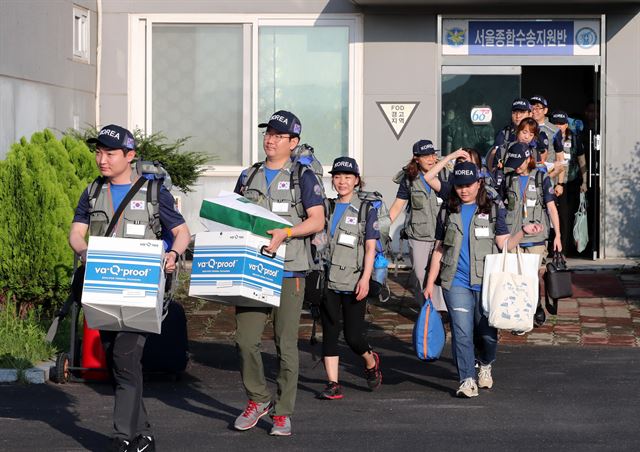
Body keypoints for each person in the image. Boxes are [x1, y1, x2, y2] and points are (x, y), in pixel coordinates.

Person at [69, 124, 191, 452]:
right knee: (118, 361)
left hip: (142, 292)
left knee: (125, 355)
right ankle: (144, 434)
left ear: (130, 156)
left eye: (109, 153)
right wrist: (83, 252)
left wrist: (173, 253)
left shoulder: (153, 193)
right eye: (98, 152)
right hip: (104, 288)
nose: (102, 159)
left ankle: (121, 437)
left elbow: (182, 232)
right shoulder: (92, 191)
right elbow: (76, 233)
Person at [232, 110, 325, 436]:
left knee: (286, 345)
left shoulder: (304, 176)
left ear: (293, 142)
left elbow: (317, 220)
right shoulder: (248, 176)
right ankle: (258, 399)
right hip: (252, 269)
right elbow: (234, 217)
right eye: (267, 133)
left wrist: (285, 234)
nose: (270, 139)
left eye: (278, 135)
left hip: (289, 270)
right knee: (245, 341)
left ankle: (283, 412)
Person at [424, 161, 543, 398]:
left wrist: (522, 232)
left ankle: (485, 364)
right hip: (455, 281)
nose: (464, 190)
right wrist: (430, 283)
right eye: (459, 185)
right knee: (462, 331)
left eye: (469, 185)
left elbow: (504, 244)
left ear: (479, 184)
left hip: (487, 282)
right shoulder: (447, 210)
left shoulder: (493, 209)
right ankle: (467, 379)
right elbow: (440, 249)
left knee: (487, 334)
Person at [316, 157, 383, 400]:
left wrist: (366, 279)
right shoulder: (327, 207)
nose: (342, 181)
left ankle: (370, 360)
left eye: (347, 177)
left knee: (353, 337)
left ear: (356, 181)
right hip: (328, 279)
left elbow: (369, 249)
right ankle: (333, 384)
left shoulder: (367, 209)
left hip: (354, 280)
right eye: (337, 176)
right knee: (331, 333)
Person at [500, 142, 562, 328]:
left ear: (529, 159)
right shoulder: (508, 179)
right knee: (515, 276)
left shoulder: (541, 178)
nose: (517, 166)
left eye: (520, 162)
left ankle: (536, 306)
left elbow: (551, 207)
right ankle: (519, 310)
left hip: (536, 237)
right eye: (514, 163)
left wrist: (557, 235)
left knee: (532, 276)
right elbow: (501, 206)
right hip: (514, 235)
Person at [389, 139, 448, 311]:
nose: (431, 159)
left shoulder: (444, 174)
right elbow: (398, 206)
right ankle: (427, 310)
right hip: (419, 234)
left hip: (442, 234)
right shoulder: (409, 179)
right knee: (420, 274)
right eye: (425, 156)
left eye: (433, 154)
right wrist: (382, 229)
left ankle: (440, 311)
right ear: (416, 158)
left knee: (441, 274)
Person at [550, 110, 588, 256]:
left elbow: (582, 160)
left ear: (566, 124)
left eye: (561, 123)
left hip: (569, 182)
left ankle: (563, 250)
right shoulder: (549, 136)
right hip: (551, 181)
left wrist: (584, 181)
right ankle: (550, 247)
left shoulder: (574, 138)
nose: (559, 126)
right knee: (552, 216)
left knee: (565, 216)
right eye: (556, 123)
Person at [486, 97, 532, 172]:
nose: (518, 116)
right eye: (514, 112)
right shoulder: (505, 133)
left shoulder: (537, 132)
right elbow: (495, 154)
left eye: (522, 112)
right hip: (509, 174)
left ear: (530, 114)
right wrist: (495, 171)